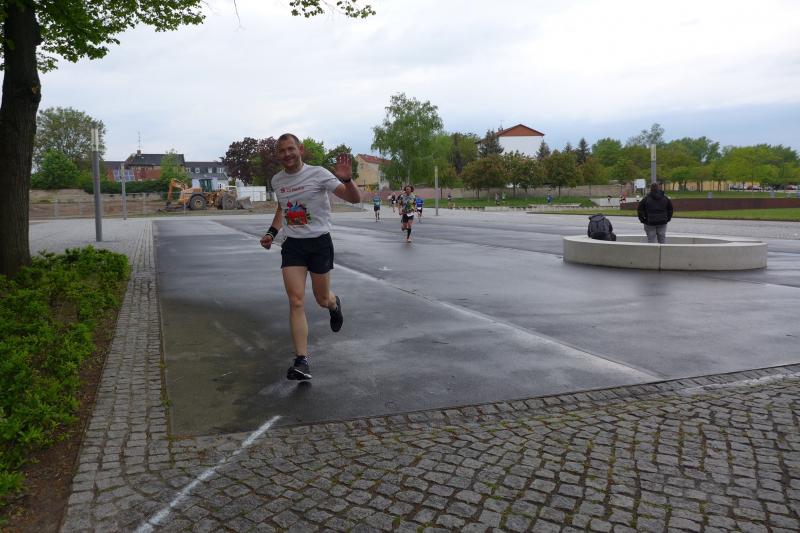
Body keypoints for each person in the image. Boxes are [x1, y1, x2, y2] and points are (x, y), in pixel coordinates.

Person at [259, 133, 361, 381]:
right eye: (282, 150)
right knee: (295, 301)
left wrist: (347, 180)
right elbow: (283, 208)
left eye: (291, 149)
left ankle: (334, 305)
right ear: (278, 154)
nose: (287, 154)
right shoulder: (277, 180)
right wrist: (272, 232)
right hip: (293, 245)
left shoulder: (318, 173)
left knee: (322, 298)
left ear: (300, 149)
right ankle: (301, 361)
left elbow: (354, 198)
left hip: (319, 243)